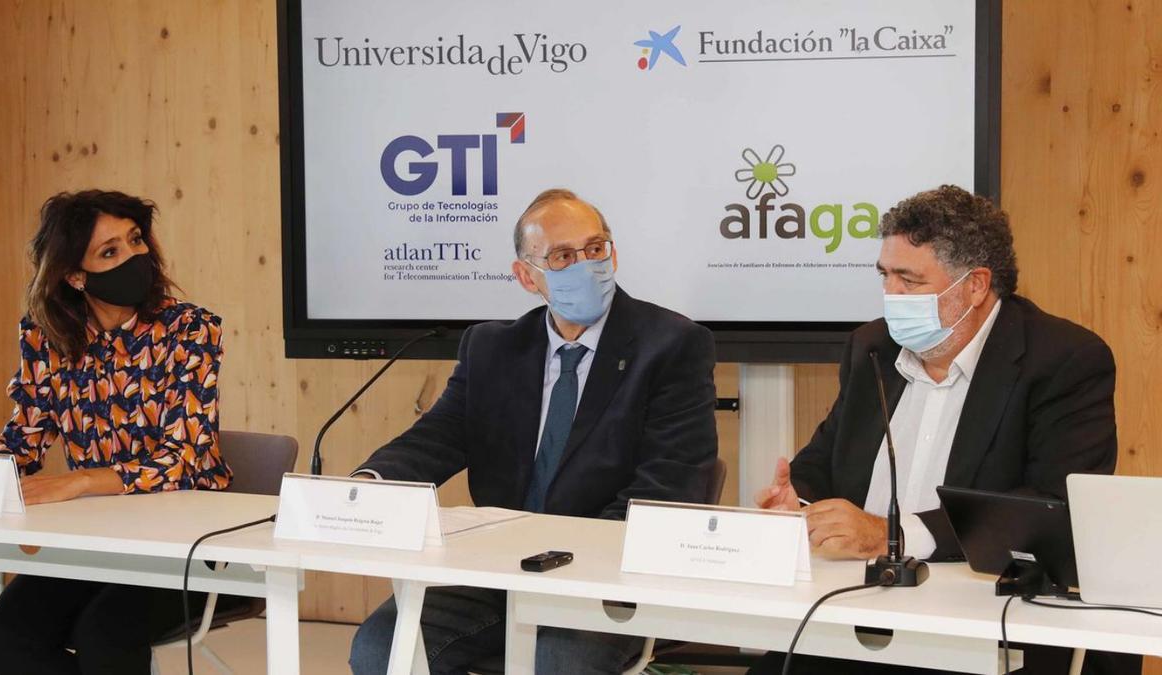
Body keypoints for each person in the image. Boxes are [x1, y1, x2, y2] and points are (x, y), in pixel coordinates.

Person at [749, 185, 1137, 674]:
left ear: (975, 286)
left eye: (909, 280)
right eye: (885, 276)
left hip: (986, 630)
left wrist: (894, 536)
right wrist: (798, 502)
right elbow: (824, 462)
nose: (892, 296)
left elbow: (1049, 507)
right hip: (857, 616)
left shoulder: (1063, 359)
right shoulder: (871, 347)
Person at [348, 188, 719, 674]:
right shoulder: (493, 347)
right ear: (528, 276)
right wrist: (370, 485)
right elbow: (438, 436)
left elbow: (672, 483)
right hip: (499, 571)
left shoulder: (672, 345)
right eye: (564, 256)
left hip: (605, 576)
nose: (586, 264)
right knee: (381, 649)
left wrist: (569, 551)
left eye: (595, 248)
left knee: (557, 662)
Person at [0, 190, 233, 675]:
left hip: (188, 542)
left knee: (104, 637)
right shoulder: (46, 337)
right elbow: (22, 440)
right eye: (110, 251)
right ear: (74, 275)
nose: (135, 256)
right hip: (97, 538)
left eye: (135, 240)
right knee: (4, 639)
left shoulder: (191, 330)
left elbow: (181, 460)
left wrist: (79, 481)